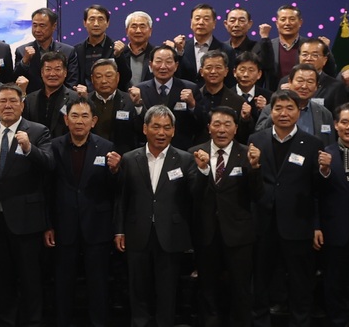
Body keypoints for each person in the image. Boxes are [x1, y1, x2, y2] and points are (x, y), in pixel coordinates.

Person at [249, 90, 327, 327]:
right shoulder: (256, 139)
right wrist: (253, 167)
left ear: (298, 111)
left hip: (298, 223)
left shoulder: (312, 144)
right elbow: (250, 185)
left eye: (289, 108)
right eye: (278, 108)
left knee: (300, 283)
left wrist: (316, 224)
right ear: (271, 111)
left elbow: (317, 190)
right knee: (260, 281)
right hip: (263, 223)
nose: (284, 113)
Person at [114, 105, 197, 327]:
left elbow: (195, 195)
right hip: (137, 233)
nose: (161, 132)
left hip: (170, 234)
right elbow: (122, 198)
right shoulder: (129, 159)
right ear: (145, 129)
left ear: (173, 130)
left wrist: (203, 171)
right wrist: (119, 230)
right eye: (156, 127)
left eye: (167, 128)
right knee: (138, 291)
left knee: (167, 292)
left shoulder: (185, 159)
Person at [0, 83, 52, 327]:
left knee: (30, 277)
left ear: (22, 105)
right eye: (2, 101)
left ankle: (33, 321)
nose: (7, 106)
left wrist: (29, 148)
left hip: (27, 219)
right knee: (1, 277)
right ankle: (6, 320)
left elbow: (49, 164)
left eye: (12, 101)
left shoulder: (38, 131)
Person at [45, 97, 122, 327]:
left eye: (85, 116)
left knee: (98, 284)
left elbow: (115, 191)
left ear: (94, 121)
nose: (79, 121)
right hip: (63, 226)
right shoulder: (54, 146)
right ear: (66, 120)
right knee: (63, 283)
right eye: (75, 116)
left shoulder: (106, 147)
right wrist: (48, 224)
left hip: (97, 226)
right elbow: (47, 189)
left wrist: (115, 171)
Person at [190, 105, 262, 327]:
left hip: (239, 235)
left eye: (227, 124)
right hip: (206, 233)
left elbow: (258, 195)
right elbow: (190, 195)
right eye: (217, 124)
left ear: (236, 128)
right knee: (207, 289)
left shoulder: (248, 154)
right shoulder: (194, 152)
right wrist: (202, 171)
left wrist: (255, 168)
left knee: (240, 289)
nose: (222, 130)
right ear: (209, 127)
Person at [317, 102, 349, 327]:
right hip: (334, 232)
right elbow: (314, 195)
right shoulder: (324, 155)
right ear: (336, 125)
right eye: (344, 122)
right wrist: (324, 171)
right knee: (334, 284)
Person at [130, 45, 200, 147]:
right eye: (158, 61)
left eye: (168, 62)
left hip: (181, 149)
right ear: (150, 65)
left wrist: (193, 105)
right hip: (147, 148)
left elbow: (201, 124)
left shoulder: (190, 88)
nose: (163, 66)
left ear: (176, 66)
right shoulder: (139, 90)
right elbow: (134, 126)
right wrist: (138, 105)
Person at [254, 4, 337, 89]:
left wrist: (327, 50)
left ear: (300, 22)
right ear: (277, 23)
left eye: (292, 19)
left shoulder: (309, 46)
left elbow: (330, 72)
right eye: (283, 19)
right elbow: (259, 75)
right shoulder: (267, 46)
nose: (287, 23)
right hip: (274, 95)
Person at [255, 63, 336, 144]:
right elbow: (258, 135)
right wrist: (275, 115)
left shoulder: (324, 113)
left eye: (310, 82)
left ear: (316, 86)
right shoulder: (271, 109)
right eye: (300, 81)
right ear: (290, 82)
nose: (304, 86)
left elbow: (330, 144)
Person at [191, 50, 256, 144]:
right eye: (209, 68)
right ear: (201, 71)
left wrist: (245, 119)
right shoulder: (193, 98)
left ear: (226, 71)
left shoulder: (238, 101)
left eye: (218, 67)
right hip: (198, 148)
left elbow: (243, 136)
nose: (213, 71)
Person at [13, 7, 79, 91]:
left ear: (53, 26)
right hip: (31, 97)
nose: (37, 30)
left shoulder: (68, 51)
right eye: (35, 25)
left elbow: (72, 82)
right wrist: (24, 61)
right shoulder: (22, 51)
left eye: (42, 26)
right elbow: (15, 81)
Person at [83, 58, 140, 155]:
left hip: (122, 156)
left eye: (109, 76)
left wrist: (138, 105)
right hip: (91, 155)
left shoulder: (130, 100)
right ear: (92, 79)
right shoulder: (86, 101)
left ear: (117, 77)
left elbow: (141, 129)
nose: (104, 81)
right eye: (98, 76)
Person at [171, 3, 234, 86]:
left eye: (206, 19)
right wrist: (179, 52)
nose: (201, 22)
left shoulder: (226, 50)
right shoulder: (181, 48)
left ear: (214, 23)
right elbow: (174, 76)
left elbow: (230, 82)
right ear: (191, 22)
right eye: (197, 18)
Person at [72, 4, 126, 90]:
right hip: (84, 96)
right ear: (84, 23)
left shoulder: (117, 48)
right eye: (92, 19)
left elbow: (126, 78)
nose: (96, 24)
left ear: (107, 23)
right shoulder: (76, 50)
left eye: (100, 19)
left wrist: (119, 56)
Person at [21, 51, 74, 138]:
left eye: (57, 69)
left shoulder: (74, 98)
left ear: (65, 73)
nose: (52, 74)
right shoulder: (30, 99)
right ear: (42, 73)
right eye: (48, 69)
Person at [118, 11, 154, 89]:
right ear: (127, 31)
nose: (138, 31)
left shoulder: (156, 54)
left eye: (142, 26)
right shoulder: (119, 54)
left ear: (150, 31)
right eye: (134, 26)